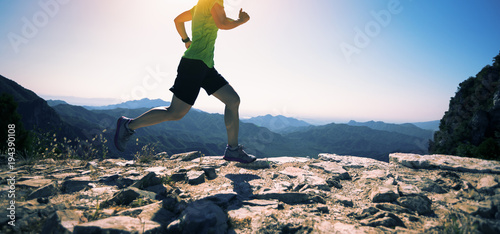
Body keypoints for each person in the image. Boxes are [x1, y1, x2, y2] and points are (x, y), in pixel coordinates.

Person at [114, 0, 256, 163]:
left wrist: (186, 40)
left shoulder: (200, 6)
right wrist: (241, 21)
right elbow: (222, 23)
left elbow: (178, 20)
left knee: (232, 100)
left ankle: (233, 150)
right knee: (175, 112)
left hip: (206, 66)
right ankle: (129, 125)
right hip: (194, 65)